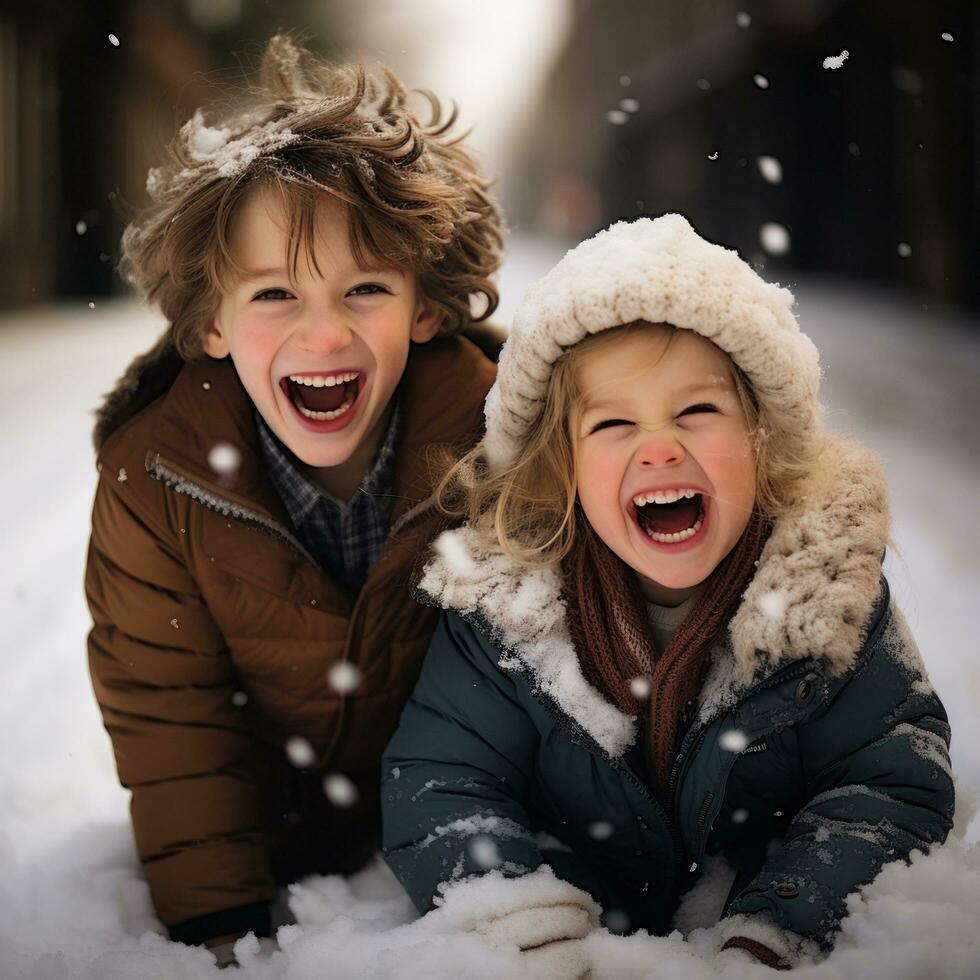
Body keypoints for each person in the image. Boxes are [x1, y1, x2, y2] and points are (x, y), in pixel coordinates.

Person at [382, 215, 954, 973]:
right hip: (583, 925)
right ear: (562, 467)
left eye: (697, 411)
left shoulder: (823, 596)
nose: (660, 447)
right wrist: (521, 912)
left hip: (746, 914)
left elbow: (889, 779)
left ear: (763, 434)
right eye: (614, 423)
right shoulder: (503, 615)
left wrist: (779, 921)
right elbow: (440, 781)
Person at [85, 34, 503, 963]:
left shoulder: (503, 446)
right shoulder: (158, 481)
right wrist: (215, 915)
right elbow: (168, 706)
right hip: (275, 802)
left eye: (365, 288)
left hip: (471, 798)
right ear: (211, 325)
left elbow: (556, 671)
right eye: (274, 293)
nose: (324, 335)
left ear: (426, 307)